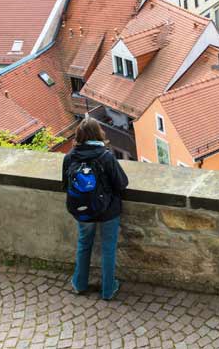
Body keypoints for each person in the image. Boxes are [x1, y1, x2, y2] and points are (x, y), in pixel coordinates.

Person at [62, 118, 128, 300]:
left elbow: (64, 185)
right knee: (108, 248)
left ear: (79, 136)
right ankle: (108, 289)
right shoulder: (105, 156)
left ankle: (79, 283)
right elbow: (122, 183)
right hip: (108, 211)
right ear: (98, 134)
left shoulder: (70, 157)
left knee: (84, 244)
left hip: (82, 210)